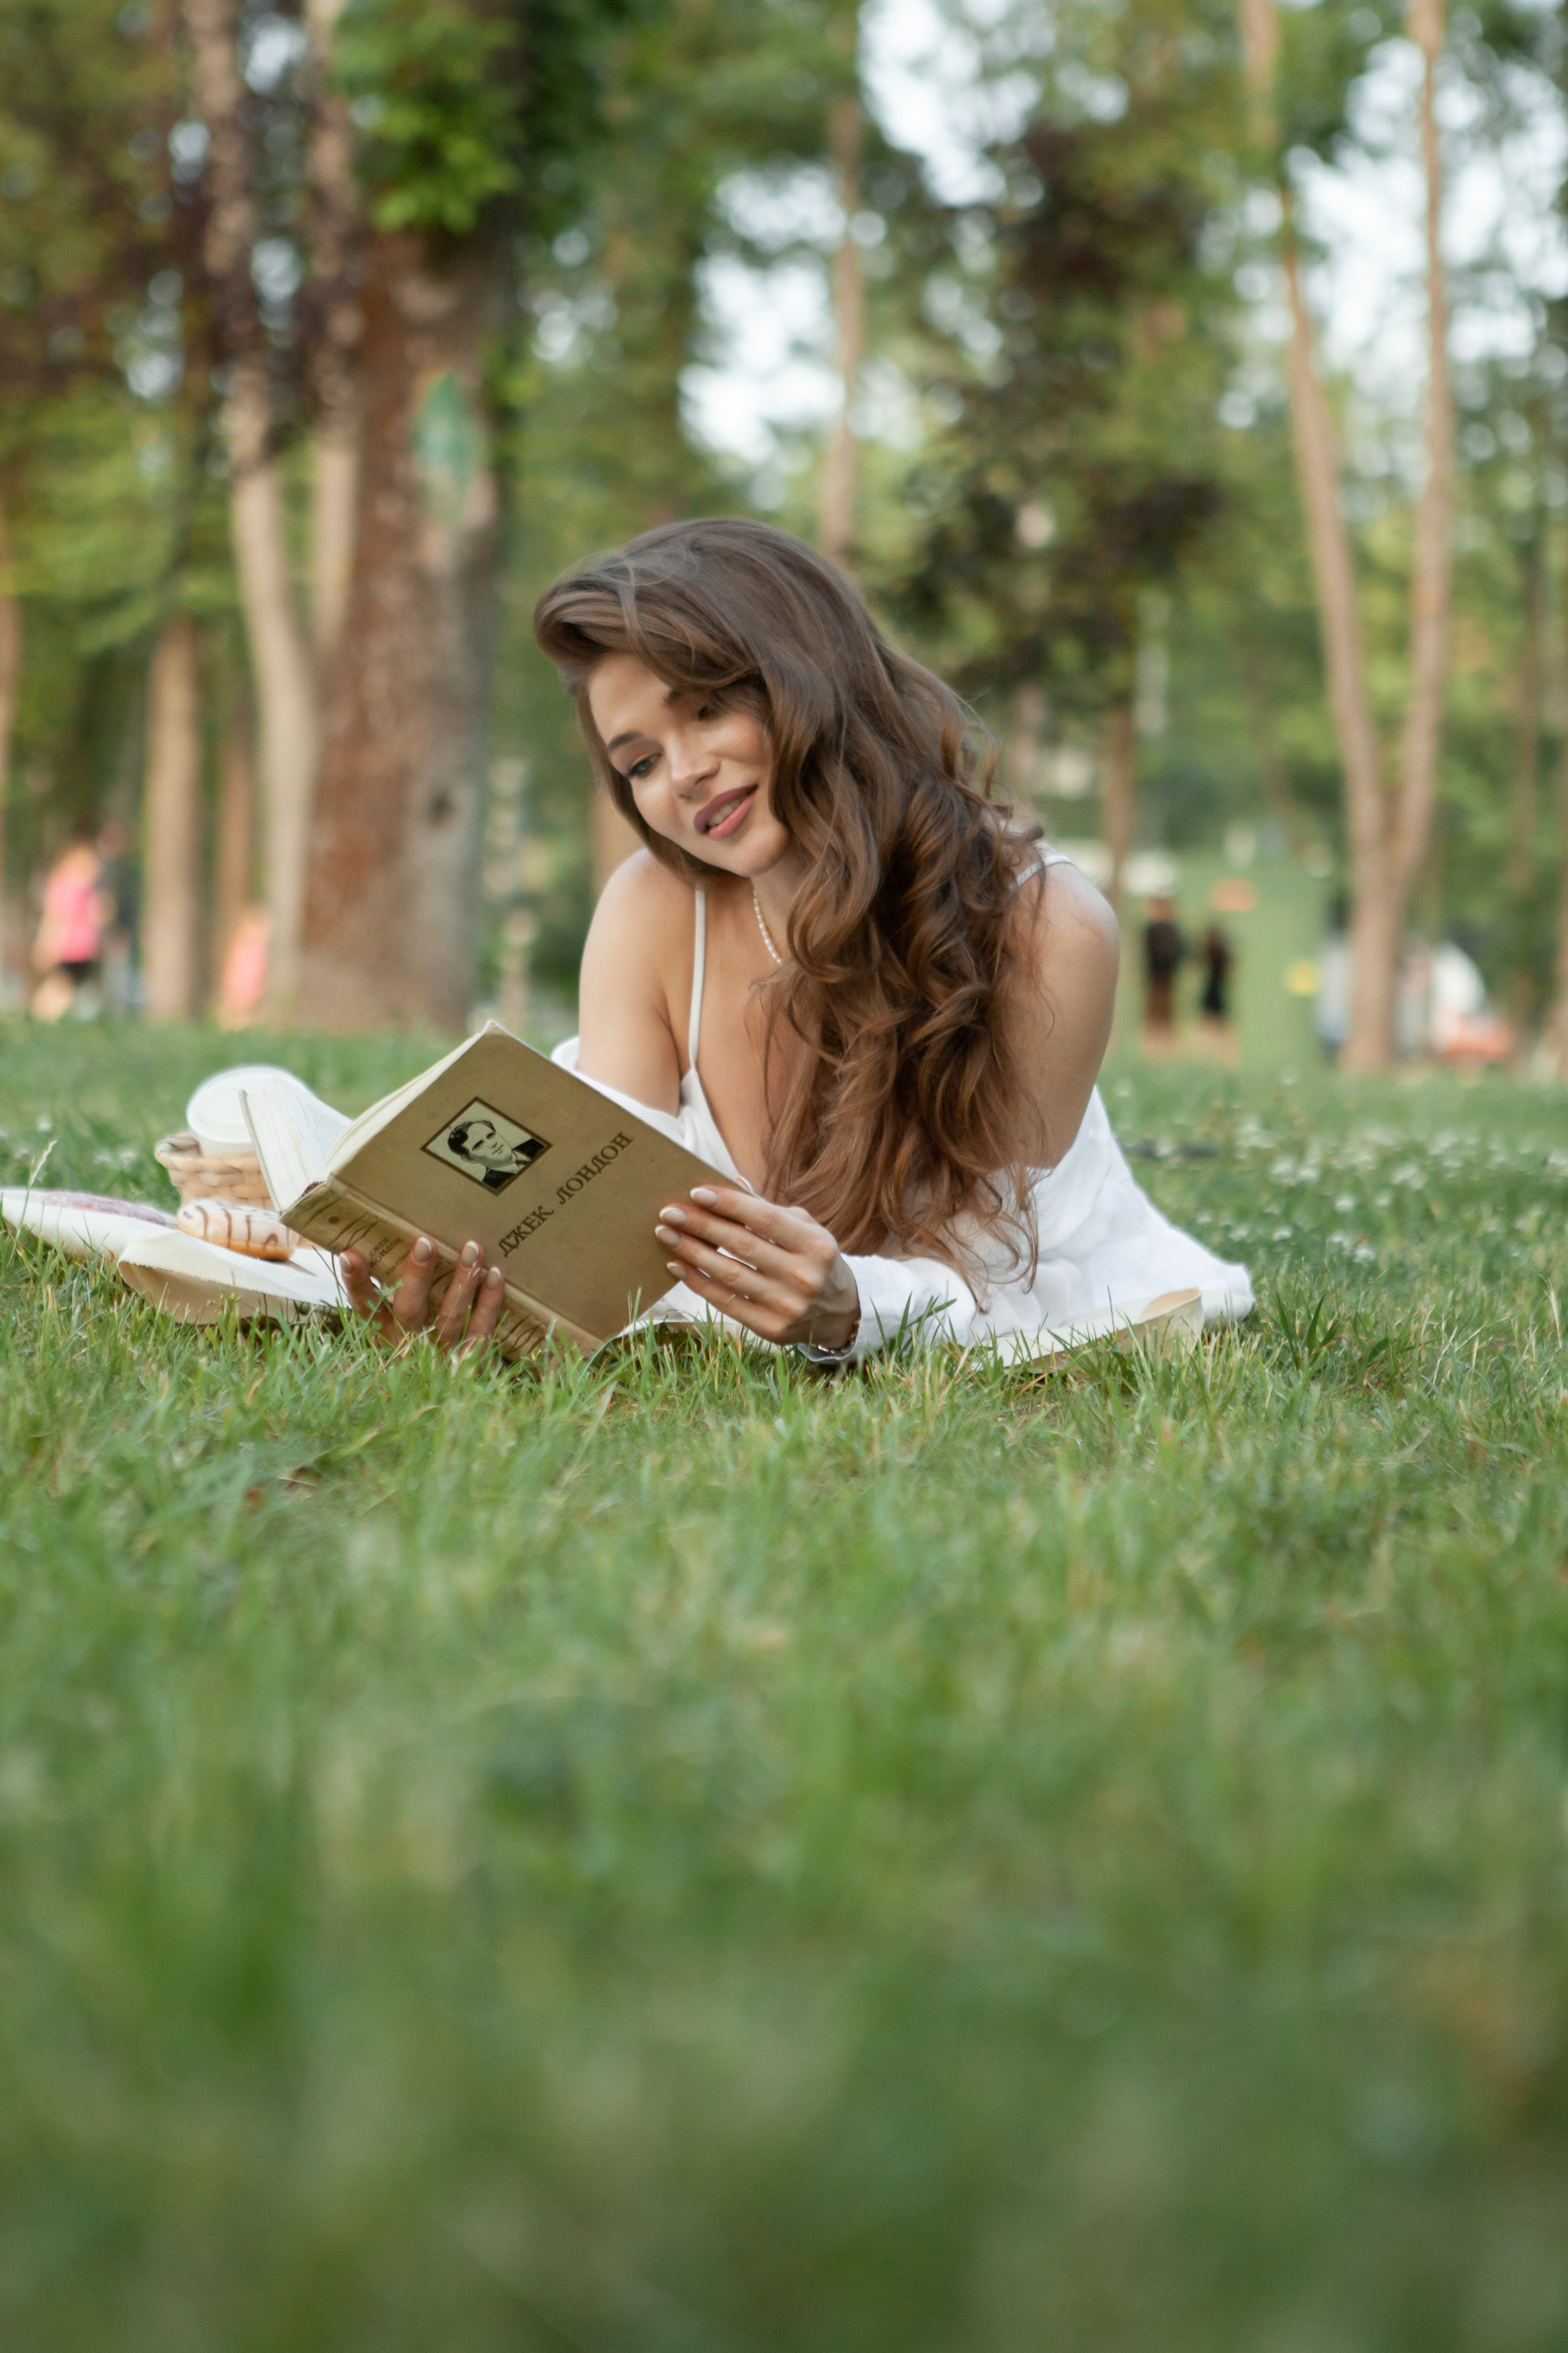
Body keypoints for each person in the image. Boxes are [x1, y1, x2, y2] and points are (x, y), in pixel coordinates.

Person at [341, 519, 1251, 1357]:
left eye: (705, 707)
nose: (686, 775)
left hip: (1030, 1286)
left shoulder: (1048, 927)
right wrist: (487, 1299)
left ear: (807, 672)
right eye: (642, 763)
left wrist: (852, 1306)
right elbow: (604, 1243)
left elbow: (992, 1287)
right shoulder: (654, 908)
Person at [31, 821, 109, 1021]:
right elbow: (55, 918)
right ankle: (41, 1015)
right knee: (63, 985)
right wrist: (48, 944)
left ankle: (43, 1016)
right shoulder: (64, 886)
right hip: (69, 947)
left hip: (85, 947)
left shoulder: (87, 889)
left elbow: (95, 916)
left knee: (67, 985)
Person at [1141, 897, 1184, 1053]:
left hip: (1159, 981)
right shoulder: (1171, 929)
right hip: (1164, 980)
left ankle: (1157, 1050)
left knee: (1157, 1017)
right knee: (1162, 1018)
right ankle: (1162, 1050)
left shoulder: (1153, 929)